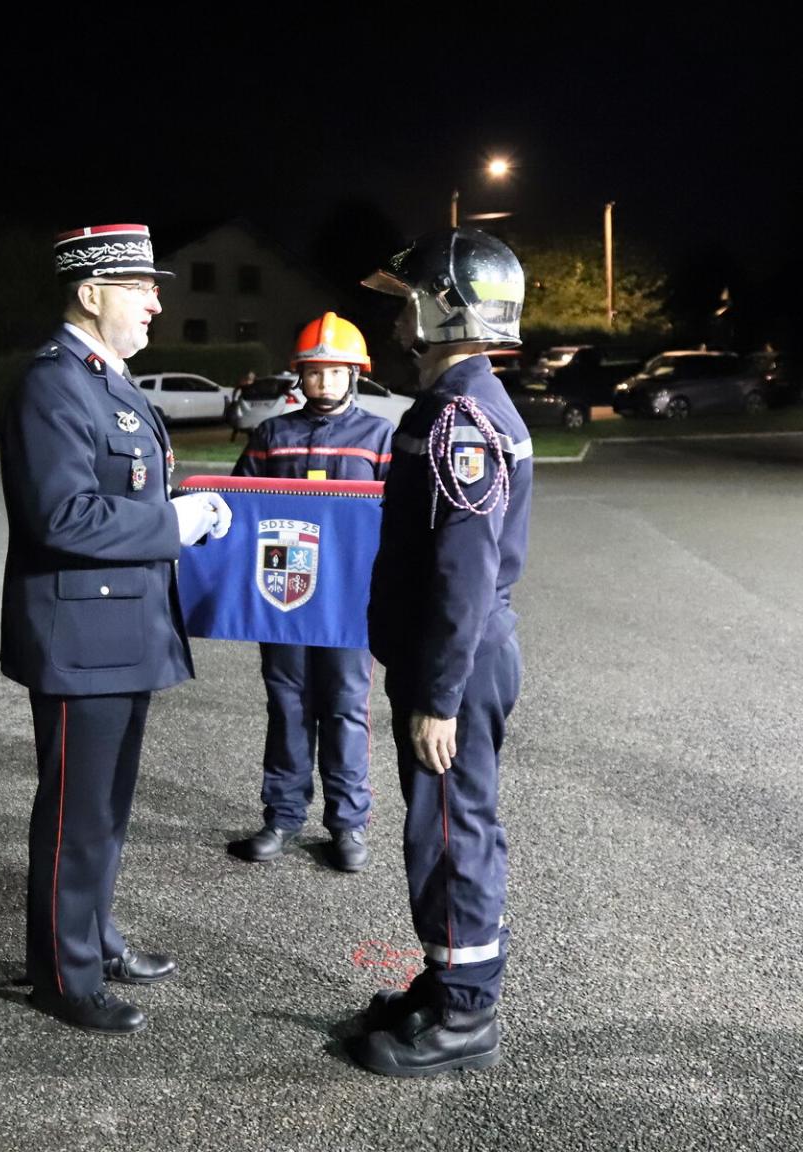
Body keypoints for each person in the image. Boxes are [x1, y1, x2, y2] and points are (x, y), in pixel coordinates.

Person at [0, 223, 232, 1035]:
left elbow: (117, 492)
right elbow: (62, 515)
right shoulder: (53, 384)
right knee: (76, 816)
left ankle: (93, 940)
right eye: (141, 288)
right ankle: (65, 977)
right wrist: (174, 523)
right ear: (91, 292)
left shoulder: (102, 379)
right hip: (82, 639)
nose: (156, 303)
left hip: (120, 633)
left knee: (104, 812)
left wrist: (174, 511)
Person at [346, 228, 533, 1077]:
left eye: (408, 303)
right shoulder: (455, 402)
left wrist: (439, 696)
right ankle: (446, 976)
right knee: (443, 827)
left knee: (454, 833)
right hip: (445, 655)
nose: (396, 323)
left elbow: (464, 571)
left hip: (454, 660)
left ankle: (466, 1014)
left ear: (446, 309)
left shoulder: (463, 414)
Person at [229, 312, 394, 871]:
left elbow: (397, 518)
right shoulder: (272, 435)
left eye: (336, 372)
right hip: (285, 597)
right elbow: (238, 507)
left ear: (355, 375)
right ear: (300, 375)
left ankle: (347, 827)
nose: (324, 382)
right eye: (315, 372)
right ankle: (281, 817)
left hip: (348, 602)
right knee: (288, 705)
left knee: (346, 708)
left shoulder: (379, 437)